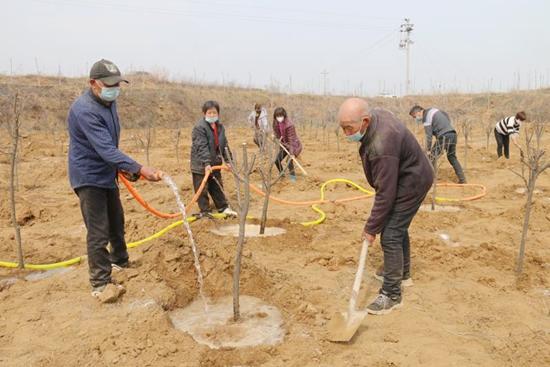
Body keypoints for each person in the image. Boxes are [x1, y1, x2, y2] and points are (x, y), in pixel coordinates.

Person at [67, 59, 163, 298]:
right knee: (98, 230)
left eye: (117, 84)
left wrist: (125, 168)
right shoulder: (85, 110)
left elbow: (110, 147)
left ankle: (120, 261)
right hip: (89, 176)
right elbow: (106, 149)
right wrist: (140, 169)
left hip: (107, 172)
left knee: (116, 222)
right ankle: (100, 284)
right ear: (93, 83)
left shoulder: (108, 103)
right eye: (109, 84)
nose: (114, 88)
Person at [338, 98, 433, 315]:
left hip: (412, 182)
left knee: (390, 233)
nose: (346, 134)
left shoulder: (382, 143)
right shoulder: (375, 119)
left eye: (349, 128)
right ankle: (403, 273)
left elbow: (385, 194)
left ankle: (391, 293)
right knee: (397, 227)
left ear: (365, 121)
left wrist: (371, 228)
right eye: (342, 128)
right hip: (406, 175)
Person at [190, 100, 237, 218]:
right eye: (209, 113)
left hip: (215, 163)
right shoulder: (199, 128)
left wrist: (228, 160)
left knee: (216, 185)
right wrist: (206, 163)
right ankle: (205, 211)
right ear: (204, 113)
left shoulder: (220, 127)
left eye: (214, 113)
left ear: (218, 113)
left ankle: (223, 207)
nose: (212, 115)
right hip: (201, 164)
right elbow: (201, 146)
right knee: (202, 188)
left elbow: (224, 145)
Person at [409, 105, 467, 184]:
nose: (415, 119)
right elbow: (446, 116)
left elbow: (428, 136)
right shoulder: (434, 110)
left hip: (444, 136)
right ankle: (462, 179)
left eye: (414, 116)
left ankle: (430, 181)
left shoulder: (426, 118)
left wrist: (428, 150)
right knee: (452, 157)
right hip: (453, 134)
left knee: (431, 157)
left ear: (419, 112)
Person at [272, 107, 302, 182]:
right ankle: (282, 174)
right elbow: (277, 134)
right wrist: (275, 138)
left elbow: (291, 140)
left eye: (280, 116)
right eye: (277, 116)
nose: (279, 118)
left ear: (284, 115)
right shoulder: (276, 122)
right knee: (277, 161)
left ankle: (293, 179)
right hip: (285, 145)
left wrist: (291, 153)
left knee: (289, 161)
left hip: (294, 146)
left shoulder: (289, 125)